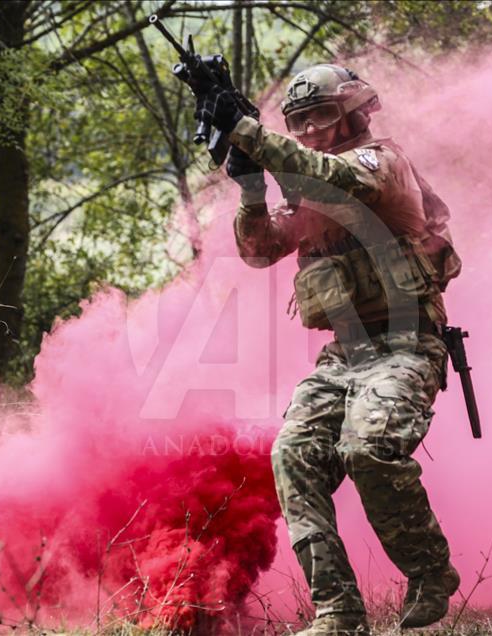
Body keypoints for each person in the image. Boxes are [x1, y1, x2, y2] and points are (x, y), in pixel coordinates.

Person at [195, 64, 462, 635]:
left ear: (353, 113)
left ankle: (431, 572)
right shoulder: (310, 191)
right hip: (345, 353)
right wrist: (249, 188)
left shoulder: (379, 162)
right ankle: (337, 611)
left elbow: (333, 177)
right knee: (292, 455)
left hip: (407, 343)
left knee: (367, 448)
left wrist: (247, 132)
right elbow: (260, 250)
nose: (309, 129)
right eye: (298, 122)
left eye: (320, 115)